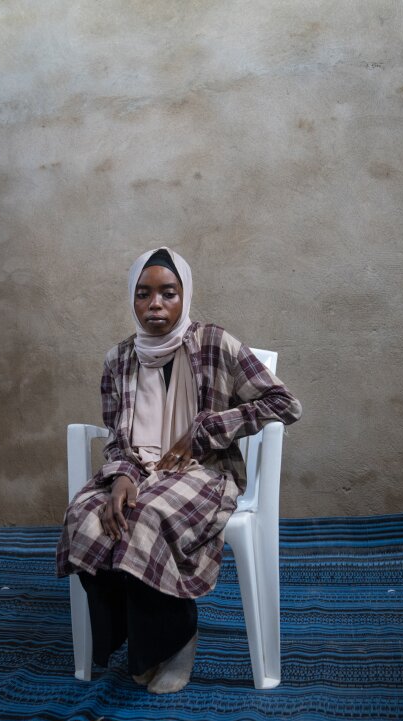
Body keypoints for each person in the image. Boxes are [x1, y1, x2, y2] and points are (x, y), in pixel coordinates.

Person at [56, 247, 302, 694]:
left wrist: (206, 430)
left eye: (168, 293)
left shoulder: (214, 343)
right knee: (88, 516)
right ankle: (138, 644)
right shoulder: (117, 360)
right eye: (144, 294)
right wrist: (123, 475)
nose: (155, 305)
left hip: (203, 470)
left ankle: (177, 640)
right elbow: (117, 434)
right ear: (131, 300)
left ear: (184, 297)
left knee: (146, 517)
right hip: (139, 468)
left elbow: (284, 404)